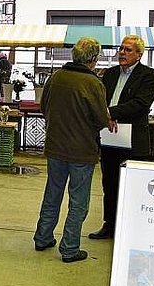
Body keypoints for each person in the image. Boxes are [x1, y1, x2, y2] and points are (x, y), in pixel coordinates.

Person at [33, 37, 111, 263]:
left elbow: (43, 107)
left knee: (52, 194)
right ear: (94, 59)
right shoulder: (93, 83)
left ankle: (42, 237)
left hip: (55, 147)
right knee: (78, 201)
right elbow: (100, 119)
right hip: (81, 151)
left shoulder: (55, 77)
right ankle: (69, 248)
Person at [89, 35, 154, 240]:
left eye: (128, 50)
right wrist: (106, 115)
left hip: (133, 141)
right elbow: (99, 99)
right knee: (109, 184)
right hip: (110, 137)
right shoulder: (109, 74)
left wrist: (110, 113)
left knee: (132, 186)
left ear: (139, 54)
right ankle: (109, 225)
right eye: (121, 49)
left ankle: (131, 228)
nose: (122, 53)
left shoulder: (149, 76)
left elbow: (140, 104)